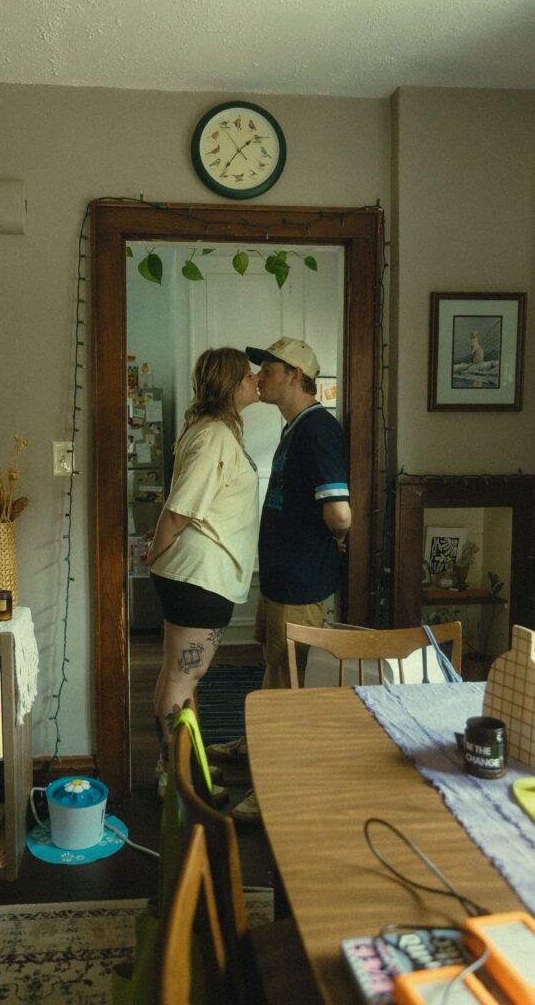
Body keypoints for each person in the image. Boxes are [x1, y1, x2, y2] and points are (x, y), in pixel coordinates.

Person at [208, 336, 351, 823]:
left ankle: (275, 791)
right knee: (274, 666)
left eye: (267, 367)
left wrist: (337, 535)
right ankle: (255, 748)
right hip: (283, 575)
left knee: (293, 683)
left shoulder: (318, 429)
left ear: (294, 374)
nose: (259, 375)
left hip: (302, 578)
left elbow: (339, 512)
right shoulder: (296, 428)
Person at [145, 347, 260, 803]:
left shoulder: (214, 429)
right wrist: (155, 550)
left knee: (179, 675)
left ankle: (183, 765)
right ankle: (177, 778)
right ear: (231, 385)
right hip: (198, 576)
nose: (255, 380)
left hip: (200, 575)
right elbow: (179, 510)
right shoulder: (214, 435)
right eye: (247, 376)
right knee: (181, 678)